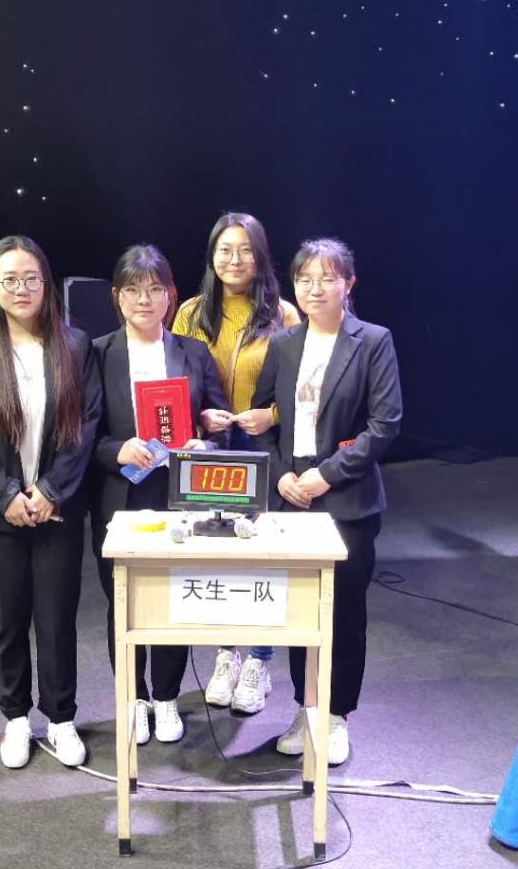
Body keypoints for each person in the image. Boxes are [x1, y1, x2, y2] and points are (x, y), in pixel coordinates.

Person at [0, 235, 101, 771]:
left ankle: (60, 718)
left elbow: (87, 423)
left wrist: (50, 490)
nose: (21, 288)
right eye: (9, 279)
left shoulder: (75, 346)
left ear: (46, 283)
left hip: (58, 509)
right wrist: (7, 494)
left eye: (31, 278)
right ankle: (15, 718)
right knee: (8, 619)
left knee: (57, 618)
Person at [251, 237, 402, 764]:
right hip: (291, 498)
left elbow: (385, 424)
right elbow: (262, 421)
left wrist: (325, 476)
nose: (315, 289)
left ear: (348, 284)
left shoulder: (373, 341)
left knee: (343, 611)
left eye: (327, 278)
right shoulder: (283, 344)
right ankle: (305, 706)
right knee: (299, 612)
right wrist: (281, 478)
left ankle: (336, 716)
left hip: (347, 500)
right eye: (305, 279)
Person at [91, 244, 228, 745]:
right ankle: (134, 696)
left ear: (171, 295)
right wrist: (117, 450)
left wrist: (203, 444)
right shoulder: (97, 353)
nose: (144, 300)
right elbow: (83, 434)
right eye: (133, 290)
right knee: (122, 602)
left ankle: (167, 697)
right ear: (117, 296)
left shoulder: (194, 353)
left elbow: (219, 425)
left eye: (154, 289)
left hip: (177, 496)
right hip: (119, 497)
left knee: (173, 600)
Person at [172, 210, 299, 714]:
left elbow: (304, 387)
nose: (235, 259)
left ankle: (260, 661)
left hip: (265, 449)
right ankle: (227, 653)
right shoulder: (189, 312)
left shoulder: (285, 315)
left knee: (263, 554)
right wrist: (199, 415)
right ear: (212, 256)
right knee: (219, 553)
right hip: (211, 450)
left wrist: (271, 415)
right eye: (225, 249)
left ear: (261, 256)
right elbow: (174, 380)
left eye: (245, 249)